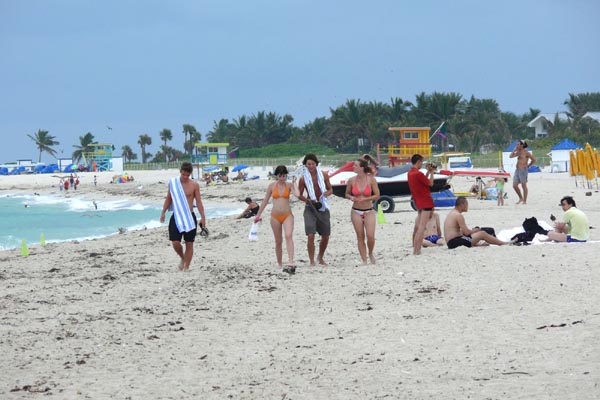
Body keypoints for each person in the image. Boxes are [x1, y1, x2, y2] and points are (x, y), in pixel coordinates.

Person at [160, 162, 206, 271]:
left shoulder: (194, 185)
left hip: (189, 217)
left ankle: (186, 267)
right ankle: (183, 258)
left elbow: (199, 202)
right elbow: (169, 198)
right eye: (183, 174)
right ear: (180, 171)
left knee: (189, 243)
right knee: (175, 242)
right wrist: (163, 212)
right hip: (177, 216)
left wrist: (203, 217)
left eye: (187, 175)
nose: (185, 177)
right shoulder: (173, 183)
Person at [254, 165, 299, 273]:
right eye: (280, 176)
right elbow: (265, 201)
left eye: (284, 176)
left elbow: (297, 194)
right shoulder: (271, 186)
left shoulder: (289, 185)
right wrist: (258, 215)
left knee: (288, 235)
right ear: (276, 176)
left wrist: (294, 183)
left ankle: (291, 261)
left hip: (287, 215)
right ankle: (279, 262)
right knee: (278, 241)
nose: (282, 178)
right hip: (275, 216)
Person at [297, 153, 333, 266]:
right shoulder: (303, 179)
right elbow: (299, 195)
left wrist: (326, 193)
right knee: (310, 235)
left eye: (313, 164)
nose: (311, 166)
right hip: (310, 207)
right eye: (309, 164)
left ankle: (320, 257)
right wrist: (307, 200)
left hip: (322, 205)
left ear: (316, 164)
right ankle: (312, 261)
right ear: (305, 165)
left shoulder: (324, 175)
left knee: (325, 235)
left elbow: (330, 189)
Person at [345, 158, 380, 264]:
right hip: (356, 210)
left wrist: (366, 199)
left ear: (362, 167)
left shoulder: (371, 179)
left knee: (370, 236)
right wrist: (352, 198)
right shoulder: (351, 180)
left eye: (355, 165)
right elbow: (347, 194)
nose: (353, 167)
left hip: (369, 210)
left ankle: (370, 253)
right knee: (360, 236)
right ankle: (364, 259)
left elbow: (377, 195)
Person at [444, 196, 512, 249]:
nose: (467, 206)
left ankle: (480, 244)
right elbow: (466, 232)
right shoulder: (458, 215)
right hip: (455, 242)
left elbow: (460, 232)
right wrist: (475, 230)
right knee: (482, 233)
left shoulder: (452, 213)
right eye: (466, 204)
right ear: (462, 205)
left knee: (474, 234)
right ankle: (503, 243)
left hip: (451, 243)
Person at [407, 154, 437, 255]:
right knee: (422, 227)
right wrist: (432, 173)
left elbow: (423, 181)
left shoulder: (410, 173)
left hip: (418, 201)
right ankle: (417, 250)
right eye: (421, 162)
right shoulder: (418, 173)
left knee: (417, 226)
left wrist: (428, 172)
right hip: (425, 201)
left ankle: (414, 248)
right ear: (419, 161)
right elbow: (430, 183)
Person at [509, 139, 536, 204]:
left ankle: (524, 201)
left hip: (523, 170)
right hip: (517, 170)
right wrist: (514, 150)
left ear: (522, 145)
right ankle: (521, 198)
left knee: (524, 186)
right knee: (514, 185)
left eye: (518, 144)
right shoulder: (518, 152)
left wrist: (528, 165)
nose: (516, 145)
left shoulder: (526, 153)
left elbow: (534, 160)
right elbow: (510, 156)